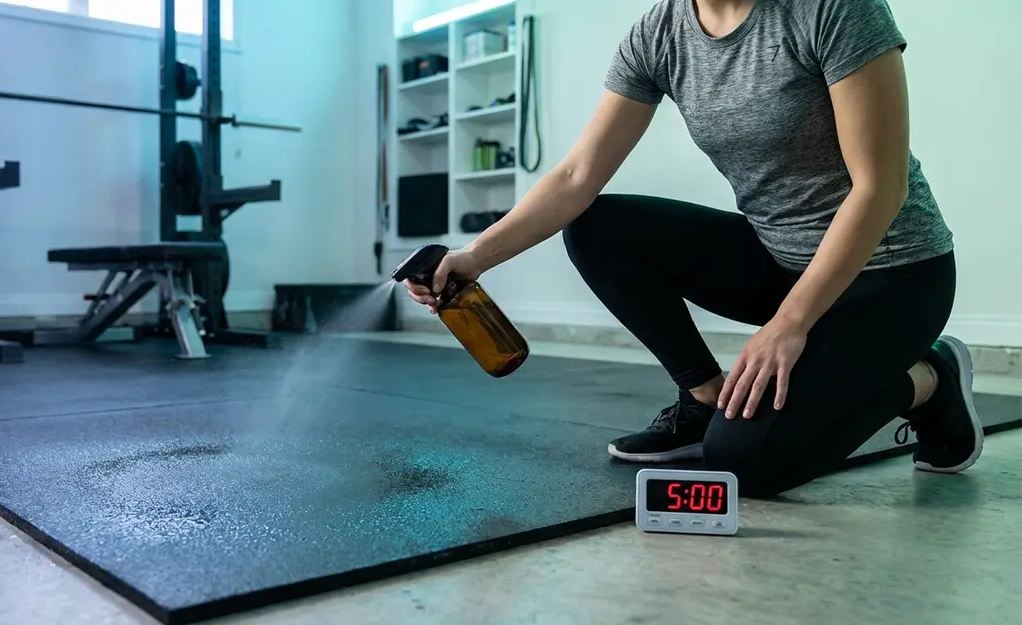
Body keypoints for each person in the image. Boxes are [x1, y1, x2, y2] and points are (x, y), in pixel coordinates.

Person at [404, 0, 984, 497]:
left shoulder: (831, 9)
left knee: (743, 463)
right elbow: (578, 176)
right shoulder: (662, 32)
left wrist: (788, 323)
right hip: (781, 259)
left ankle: (929, 377)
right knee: (597, 224)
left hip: (894, 274)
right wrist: (475, 257)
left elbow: (879, 185)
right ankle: (704, 396)